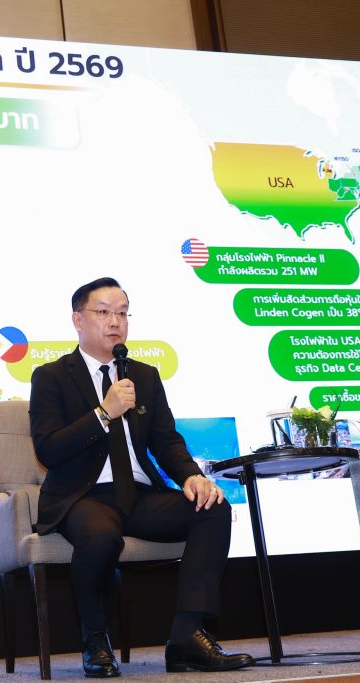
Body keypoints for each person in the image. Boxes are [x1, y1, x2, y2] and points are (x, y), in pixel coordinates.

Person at [29, 277, 253, 677]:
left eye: (122, 313)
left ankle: (186, 638)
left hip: (139, 495)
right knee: (100, 536)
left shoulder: (144, 376)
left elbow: (166, 440)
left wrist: (191, 476)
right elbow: (48, 449)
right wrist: (104, 413)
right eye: (103, 312)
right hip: (84, 497)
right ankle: (95, 640)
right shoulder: (51, 376)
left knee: (213, 508)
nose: (115, 321)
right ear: (78, 320)